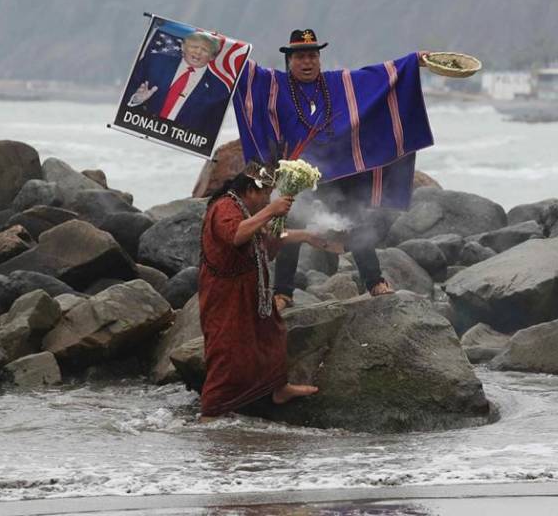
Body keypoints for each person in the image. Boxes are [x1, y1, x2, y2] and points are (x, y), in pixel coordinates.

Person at [232, 29, 433, 305]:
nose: (307, 62)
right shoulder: (275, 85)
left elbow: (377, 78)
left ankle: (375, 282)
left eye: (313, 55)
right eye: (300, 56)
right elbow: (246, 73)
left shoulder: (338, 83)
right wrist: (220, 51)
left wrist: (414, 61)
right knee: (291, 225)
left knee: (356, 223)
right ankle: (282, 292)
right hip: (296, 177)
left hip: (339, 171)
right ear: (289, 60)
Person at [198, 161, 326, 421]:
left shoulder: (246, 209)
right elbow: (236, 235)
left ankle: (279, 388)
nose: (268, 198)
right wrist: (270, 210)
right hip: (225, 294)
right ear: (250, 190)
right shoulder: (225, 207)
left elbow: (266, 238)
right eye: (266, 194)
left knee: (272, 333)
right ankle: (210, 414)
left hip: (251, 289)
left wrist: (306, 236)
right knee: (226, 351)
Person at [127, 30, 231, 135]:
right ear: (183, 47)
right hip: (140, 133)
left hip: (177, 145)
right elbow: (128, 91)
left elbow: (211, 128)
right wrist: (136, 99)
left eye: (205, 50)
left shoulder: (219, 89)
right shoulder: (155, 62)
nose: (198, 52)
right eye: (194, 47)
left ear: (212, 57)